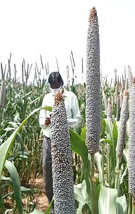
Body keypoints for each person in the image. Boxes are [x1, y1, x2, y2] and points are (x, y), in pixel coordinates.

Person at [39, 72, 82, 208]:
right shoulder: (46, 98)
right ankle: (53, 206)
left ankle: (66, 205)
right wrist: (45, 121)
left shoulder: (71, 97)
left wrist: (61, 120)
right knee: (47, 172)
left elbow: (78, 120)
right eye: (52, 86)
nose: (54, 88)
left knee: (64, 172)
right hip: (48, 139)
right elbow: (40, 119)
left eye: (56, 86)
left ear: (61, 83)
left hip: (64, 141)